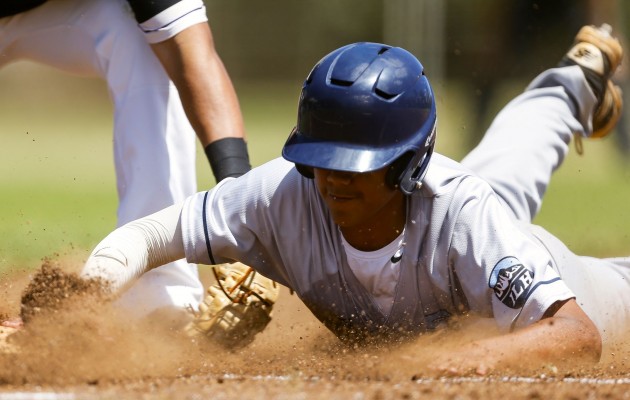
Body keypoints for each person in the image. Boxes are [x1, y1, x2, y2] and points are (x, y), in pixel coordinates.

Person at [80, 24, 629, 374]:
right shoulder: (280, 194)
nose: (334, 179)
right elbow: (150, 235)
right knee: (501, 175)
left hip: (541, 261)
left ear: (409, 163)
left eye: (355, 165)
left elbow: (577, 336)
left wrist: (444, 362)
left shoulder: (463, 213)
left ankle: (571, 85)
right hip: (464, 225)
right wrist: (76, 299)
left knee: (519, 220)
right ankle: (576, 81)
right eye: (324, 158)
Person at [0, 0, 279, 323]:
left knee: (145, 38)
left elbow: (188, 47)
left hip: (44, 15)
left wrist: (240, 202)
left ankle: (158, 295)